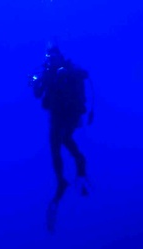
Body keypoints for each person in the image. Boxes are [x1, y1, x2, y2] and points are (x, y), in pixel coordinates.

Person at [29, 44, 94, 229]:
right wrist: (34, 82)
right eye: (49, 57)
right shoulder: (47, 73)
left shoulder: (69, 70)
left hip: (69, 114)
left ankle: (77, 168)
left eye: (54, 56)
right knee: (57, 147)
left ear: (60, 56)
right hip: (56, 115)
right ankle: (65, 177)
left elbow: (83, 75)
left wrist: (70, 74)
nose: (52, 60)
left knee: (62, 140)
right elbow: (37, 94)